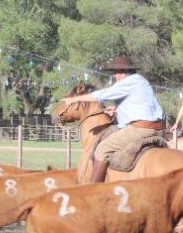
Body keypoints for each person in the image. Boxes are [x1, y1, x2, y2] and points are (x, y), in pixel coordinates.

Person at [61, 55, 165, 183]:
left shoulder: (129, 82)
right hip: (159, 128)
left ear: (126, 72)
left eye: (118, 72)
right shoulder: (141, 81)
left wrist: (75, 98)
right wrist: (117, 109)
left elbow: (103, 95)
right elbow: (141, 105)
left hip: (141, 128)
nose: (116, 75)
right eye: (115, 72)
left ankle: (95, 189)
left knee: (101, 149)